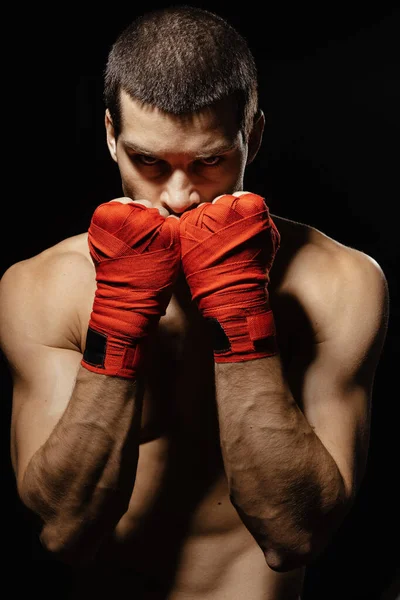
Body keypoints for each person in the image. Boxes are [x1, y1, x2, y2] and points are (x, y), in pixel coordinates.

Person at [0, 5, 389, 600]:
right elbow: (65, 532)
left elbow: (294, 537)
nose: (179, 197)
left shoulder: (340, 282)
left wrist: (240, 311)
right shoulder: (43, 285)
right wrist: (118, 320)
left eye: (209, 161)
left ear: (252, 136)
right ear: (110, 136)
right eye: (148, 162)